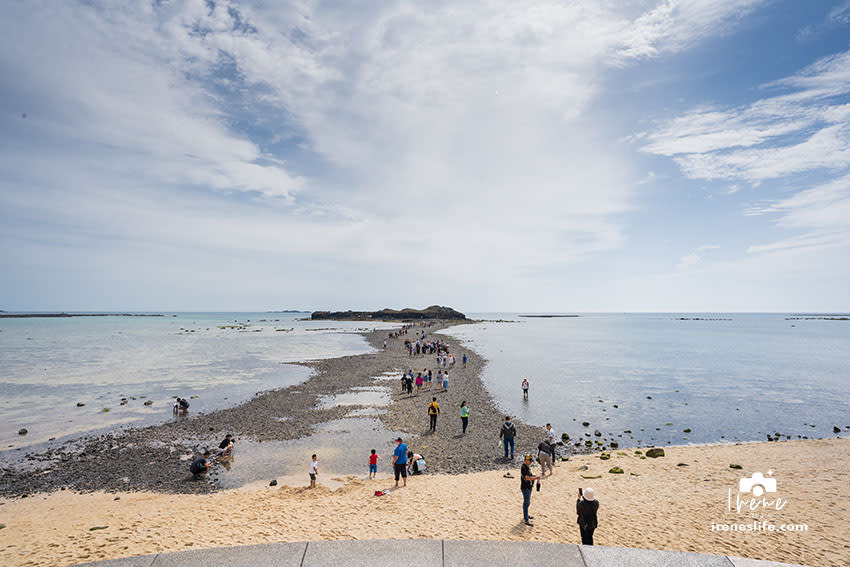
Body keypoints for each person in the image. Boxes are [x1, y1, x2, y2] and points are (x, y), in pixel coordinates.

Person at [520, 454, 540, 526]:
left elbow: (530, 475)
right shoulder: (524, 467)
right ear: (526, 460)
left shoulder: (527, 467)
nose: (531, 462)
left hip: (528, 487)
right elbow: (527, 477)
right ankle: (526, 519)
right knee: (526, 503)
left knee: (527, 503)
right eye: (529, 461)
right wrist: (535, 478)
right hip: (525, 488)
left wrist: (535, 476)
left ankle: (526, 515)